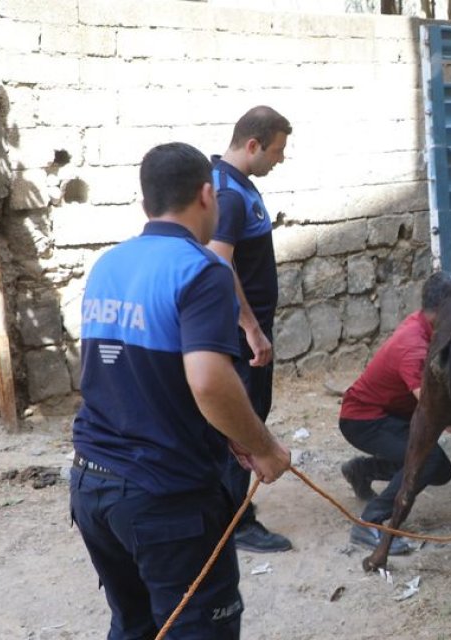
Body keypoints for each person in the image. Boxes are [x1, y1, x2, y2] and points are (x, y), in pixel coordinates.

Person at [70, 142, 293, 638]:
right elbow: (208, 379)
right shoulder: (203, 268)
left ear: (146, 201)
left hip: (91, 486)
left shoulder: (109, 264)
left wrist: (226, 432)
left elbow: (127, 373)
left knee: (135, 627)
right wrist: (264, 447)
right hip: (163, 497)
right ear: (207, 195)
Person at [209, 106, 293, 553]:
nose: (280, 159)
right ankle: (233, 523)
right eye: (277, 150)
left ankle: (229, 510)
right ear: (253, 145)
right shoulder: (227, 194)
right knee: (242, 421)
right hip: (242, 335)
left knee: (251, 414)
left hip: (250, 331)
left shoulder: (238, 185)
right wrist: (252, 329)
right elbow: (220, 262)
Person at [338, 271, 451, 555]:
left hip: (387, 414)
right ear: (447, 310)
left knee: (441, 469)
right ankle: (369, 522)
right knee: (428, 460)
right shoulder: (413, 347)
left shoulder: (429, 327)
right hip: (363, 420)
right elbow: (435, 412)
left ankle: (363, 470)